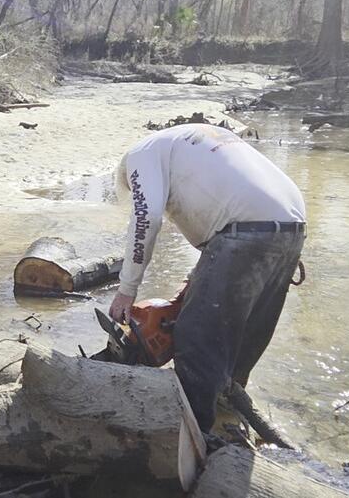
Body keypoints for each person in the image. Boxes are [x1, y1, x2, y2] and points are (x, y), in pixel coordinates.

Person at [110, 123, 306, 439]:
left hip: (244, 229)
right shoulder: (190, 142)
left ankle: (193, 436)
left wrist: (126, 290)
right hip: (290, 224)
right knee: (244, 336)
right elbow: (223, 210)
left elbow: (147, 218)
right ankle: (229, 417)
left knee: (195, 336)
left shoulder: (141, 155)